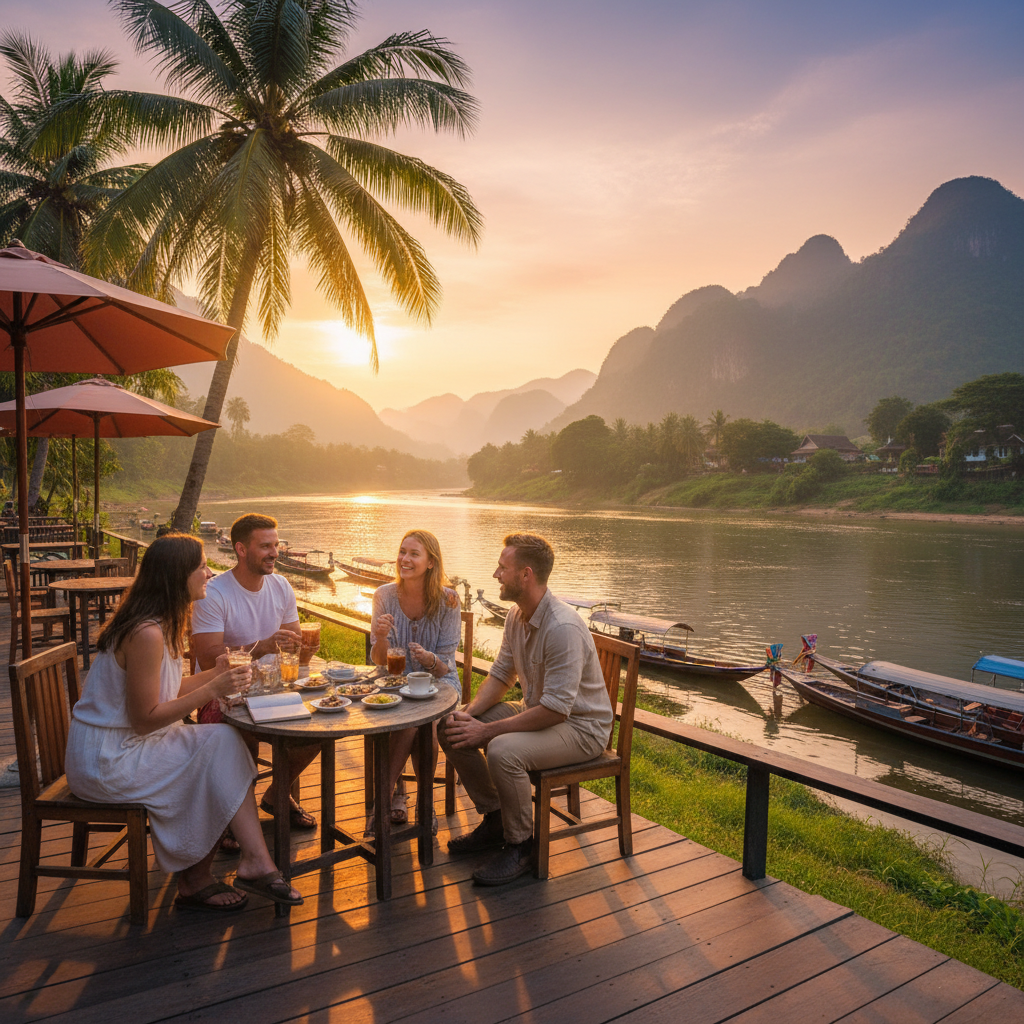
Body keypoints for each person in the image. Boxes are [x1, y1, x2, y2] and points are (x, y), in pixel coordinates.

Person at [64, 534, 303, 912]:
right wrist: (214, 688)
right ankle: (198, 879)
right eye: (202, 567)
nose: (209, 573)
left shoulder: (158, 623)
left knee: (223, 741)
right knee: (211, 756)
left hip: (123, 745)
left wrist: (214, 674)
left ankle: (253, 861)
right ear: (179, 577)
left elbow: (167, 689)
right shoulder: (146, 633)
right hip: (107, 760)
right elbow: (145, 720)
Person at [439, 533, 612, 886]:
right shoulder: (517, 615)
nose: (495, 574)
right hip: (541, 710)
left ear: (526, 575)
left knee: (503, 750)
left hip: (581, 728)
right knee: (450, 727)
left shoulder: (562, 627)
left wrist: (487, 732)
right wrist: (469, 715)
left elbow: (557, 710)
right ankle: (496, 818)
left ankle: (521, 846)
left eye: (503, 568)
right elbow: (503, 674)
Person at [191, 513, 319, 836]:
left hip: (273, 690)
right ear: (241, 549)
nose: (275, 552)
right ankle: (233, 822)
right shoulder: (215, 593)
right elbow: (207, 660)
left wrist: (305, 649)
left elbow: (294, 645)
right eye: (265, 546)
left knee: (321, 723)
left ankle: (278, 792)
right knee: (239, 737)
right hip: (219, 693)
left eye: (276, 544)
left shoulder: (281, 586)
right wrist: (260, 648)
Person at [369, 529, 461, 835]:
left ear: (431, 562)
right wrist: (381, 637)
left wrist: (428, 660)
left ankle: (406, 802)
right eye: (402, 551)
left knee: (424, 720)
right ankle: (399, 800)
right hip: (394, 683)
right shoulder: (383, 595)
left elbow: (446, 665)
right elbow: (380, 661)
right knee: (411, 719)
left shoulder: (448, 601)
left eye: (413, 554)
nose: (404, 559)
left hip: (439, 684)